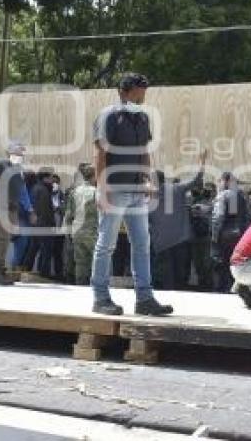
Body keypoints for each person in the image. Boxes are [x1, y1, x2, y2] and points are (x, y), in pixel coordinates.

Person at [91, 72, 172, 316]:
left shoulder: (143, 118)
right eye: (139, 91)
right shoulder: (108, 116)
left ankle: (144, 299)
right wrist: (101, 190)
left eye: (144, 91)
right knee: (106, 245)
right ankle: (101, 298)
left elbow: (144, 151)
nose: (143, 95)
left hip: (137, 190)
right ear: (124, 91)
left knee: (142, 244)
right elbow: (100, 154)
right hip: (114, 189)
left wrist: (148, 179)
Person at [0, 140, 38, 285]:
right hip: (0, 206)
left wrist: (30, 210)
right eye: (16, 153)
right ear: (8, 153)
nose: (19, 156)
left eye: (21, 154)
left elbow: (23, 193)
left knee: (5, 239)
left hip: (12, 209)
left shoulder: (19, 171)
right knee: (3, 238)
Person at [150, 150, 207, 290]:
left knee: (166, 275)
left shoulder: (149, 198)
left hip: (162, 243)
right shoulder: (176, 189)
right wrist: (202, 164)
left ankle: (170, 294)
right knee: (181, 274)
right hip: (181, 239)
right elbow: (196, 180)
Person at [211, 172, 251, 292]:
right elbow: (249, 217)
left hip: (225, 236)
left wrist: (214, 237)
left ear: (225, 182)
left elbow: (218, 217)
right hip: (240, 236)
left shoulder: (223, 195)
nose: (218, 184)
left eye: (219, 181)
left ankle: (222, 291)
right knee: (235, 264)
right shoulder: (242, 196)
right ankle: (234, 290)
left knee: (222, 266)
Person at [65, 163, 99, 285]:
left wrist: (67, 232)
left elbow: (69, 214)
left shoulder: (74, 192)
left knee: (80, 262)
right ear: (94, 176)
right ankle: (96, 287)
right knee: (96, 261)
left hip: (77, 231)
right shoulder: (96, 192)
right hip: (92, 232)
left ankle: (80, 285)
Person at [28, 169, 58, 277]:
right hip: (44, 225)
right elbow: (46, 210)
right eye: (50, 177)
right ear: (45, 178)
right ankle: (44, 273)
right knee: (46, 250)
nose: (52, 180)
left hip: (36, 224)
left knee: (34, 249)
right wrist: (52, 225)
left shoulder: (36, 188)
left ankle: (27, 270)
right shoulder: (44, 190)